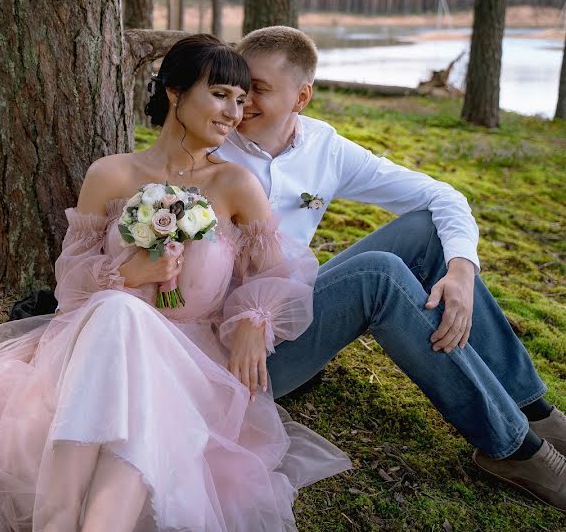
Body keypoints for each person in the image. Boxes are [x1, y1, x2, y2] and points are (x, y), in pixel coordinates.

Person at [0, 34, 351, 531]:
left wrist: (254, 318)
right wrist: (126, 274)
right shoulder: (112, 175)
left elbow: (280, 276)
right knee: (119, 311)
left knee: (126, 329)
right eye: (221, 94)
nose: (234, 112)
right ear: (175, 93)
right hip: (96, 351)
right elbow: (71, 288)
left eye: (242, 99)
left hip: (190, 360)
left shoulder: (235, 186)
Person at [212, 25, 566, 511]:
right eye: (236, 85)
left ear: (303, 97)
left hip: (288, 311)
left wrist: (462, 268)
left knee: (425, 231)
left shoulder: (324, 147)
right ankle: (514, 448)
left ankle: (535, 409)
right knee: (378, 275)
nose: (241, 103)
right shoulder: (209, 150)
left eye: (259, 89)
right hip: (236, 354)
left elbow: (442, 196)